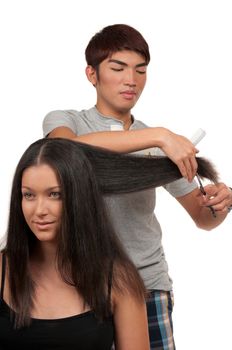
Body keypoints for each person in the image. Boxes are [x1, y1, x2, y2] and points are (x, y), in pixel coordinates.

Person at [42, 24, 232, 349]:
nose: (131, 80)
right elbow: (69, 153)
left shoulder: (162, 144)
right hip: (80, 287)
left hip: (147, 286)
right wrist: (159, 135)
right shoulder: (66, 120)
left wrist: (220, 206)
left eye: (141, 70)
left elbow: (203, 219)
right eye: (118, 68)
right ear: (92, 74)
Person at [0, 138, 151, 350]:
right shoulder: (2, 270)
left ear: (79, 197)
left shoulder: (119, 279)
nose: (40, 210)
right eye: (29, 195)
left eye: (55, 194)